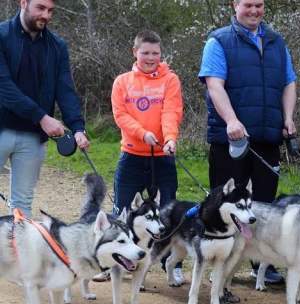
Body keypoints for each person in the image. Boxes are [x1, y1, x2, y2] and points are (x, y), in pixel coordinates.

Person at [198, 0, 297, 284]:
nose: (254, 10)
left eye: (259, 5)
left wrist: (288, 118)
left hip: (268, 138)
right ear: (235, 5)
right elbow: (214, 85)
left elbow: (289, 82)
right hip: (231, 139)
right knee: (225, 203)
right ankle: (218, 269)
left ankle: (261, 264)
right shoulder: (218, 41)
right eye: (248, 5)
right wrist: (231, 120)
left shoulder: (277, 42)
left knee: (263, 204)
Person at [0, 0, 89, 217]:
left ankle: (16, 251)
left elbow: (65, 90)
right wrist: (42, 117)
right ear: (23, 3)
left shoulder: (57, 46)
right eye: (40, 8)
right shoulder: (1, 36)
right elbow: (4, 86)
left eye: (50, 11)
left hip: (33, 137)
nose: (46, 15)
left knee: (22, 206)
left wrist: (77, 127)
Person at [111, 30, 185, 284]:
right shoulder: (122, 81)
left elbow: (171, 111)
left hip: (162, 157)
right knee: (123, 211)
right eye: (146, 53)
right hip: (131, 156)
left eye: (155, 53)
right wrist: (143, 134)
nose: (151, 58)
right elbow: (121, 115)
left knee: (167, 213)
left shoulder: (170, 80)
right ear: (135, 52)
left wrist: (170, 138)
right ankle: (116, 261)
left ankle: (170, 264)